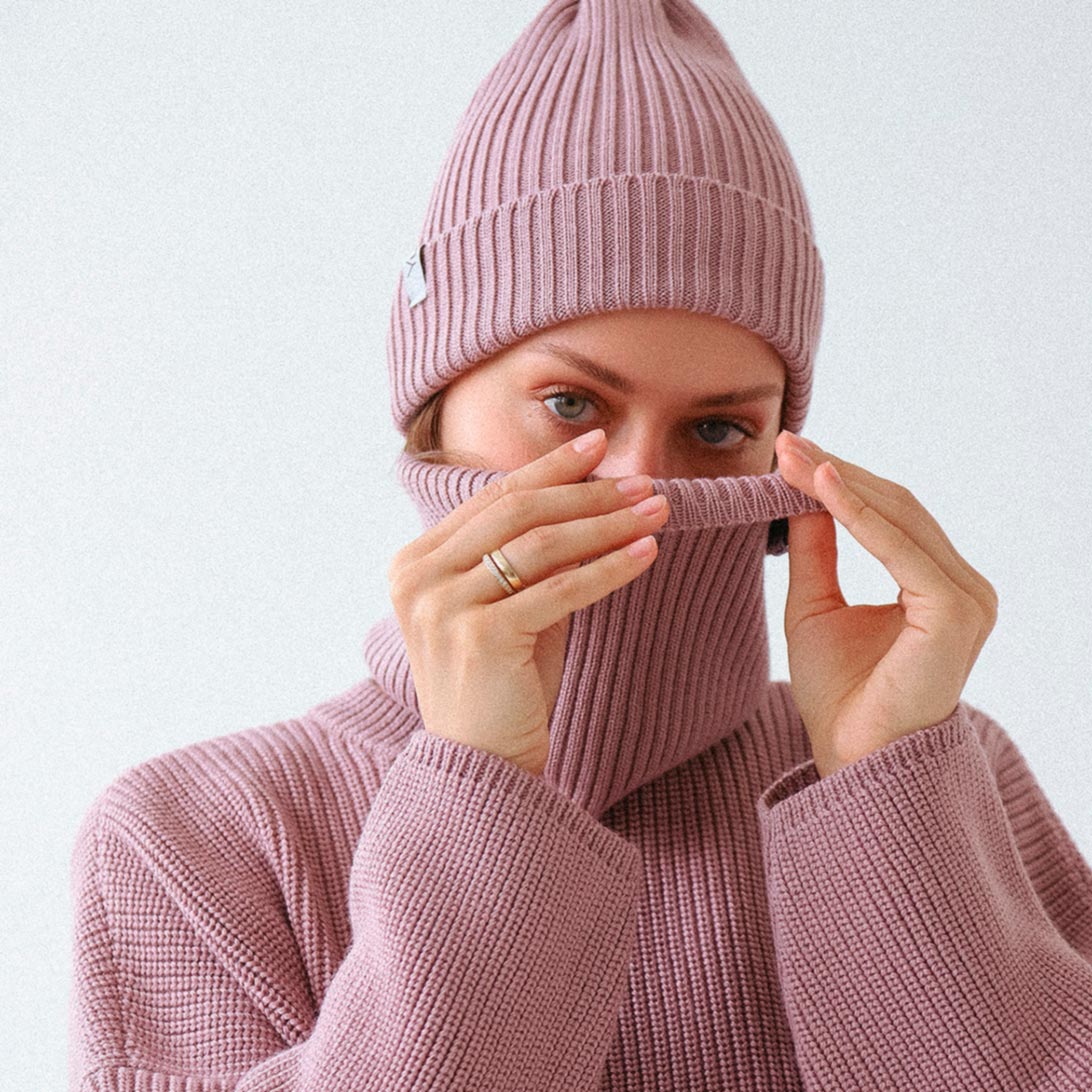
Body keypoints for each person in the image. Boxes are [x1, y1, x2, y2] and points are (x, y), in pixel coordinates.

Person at [68, 1, 1092, 1089]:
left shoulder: (938, 775)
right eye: (570, 405)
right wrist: (480, 801)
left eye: (717, 430)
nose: (636, 482)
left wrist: (887, 815)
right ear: (434, 402)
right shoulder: (197, 842)